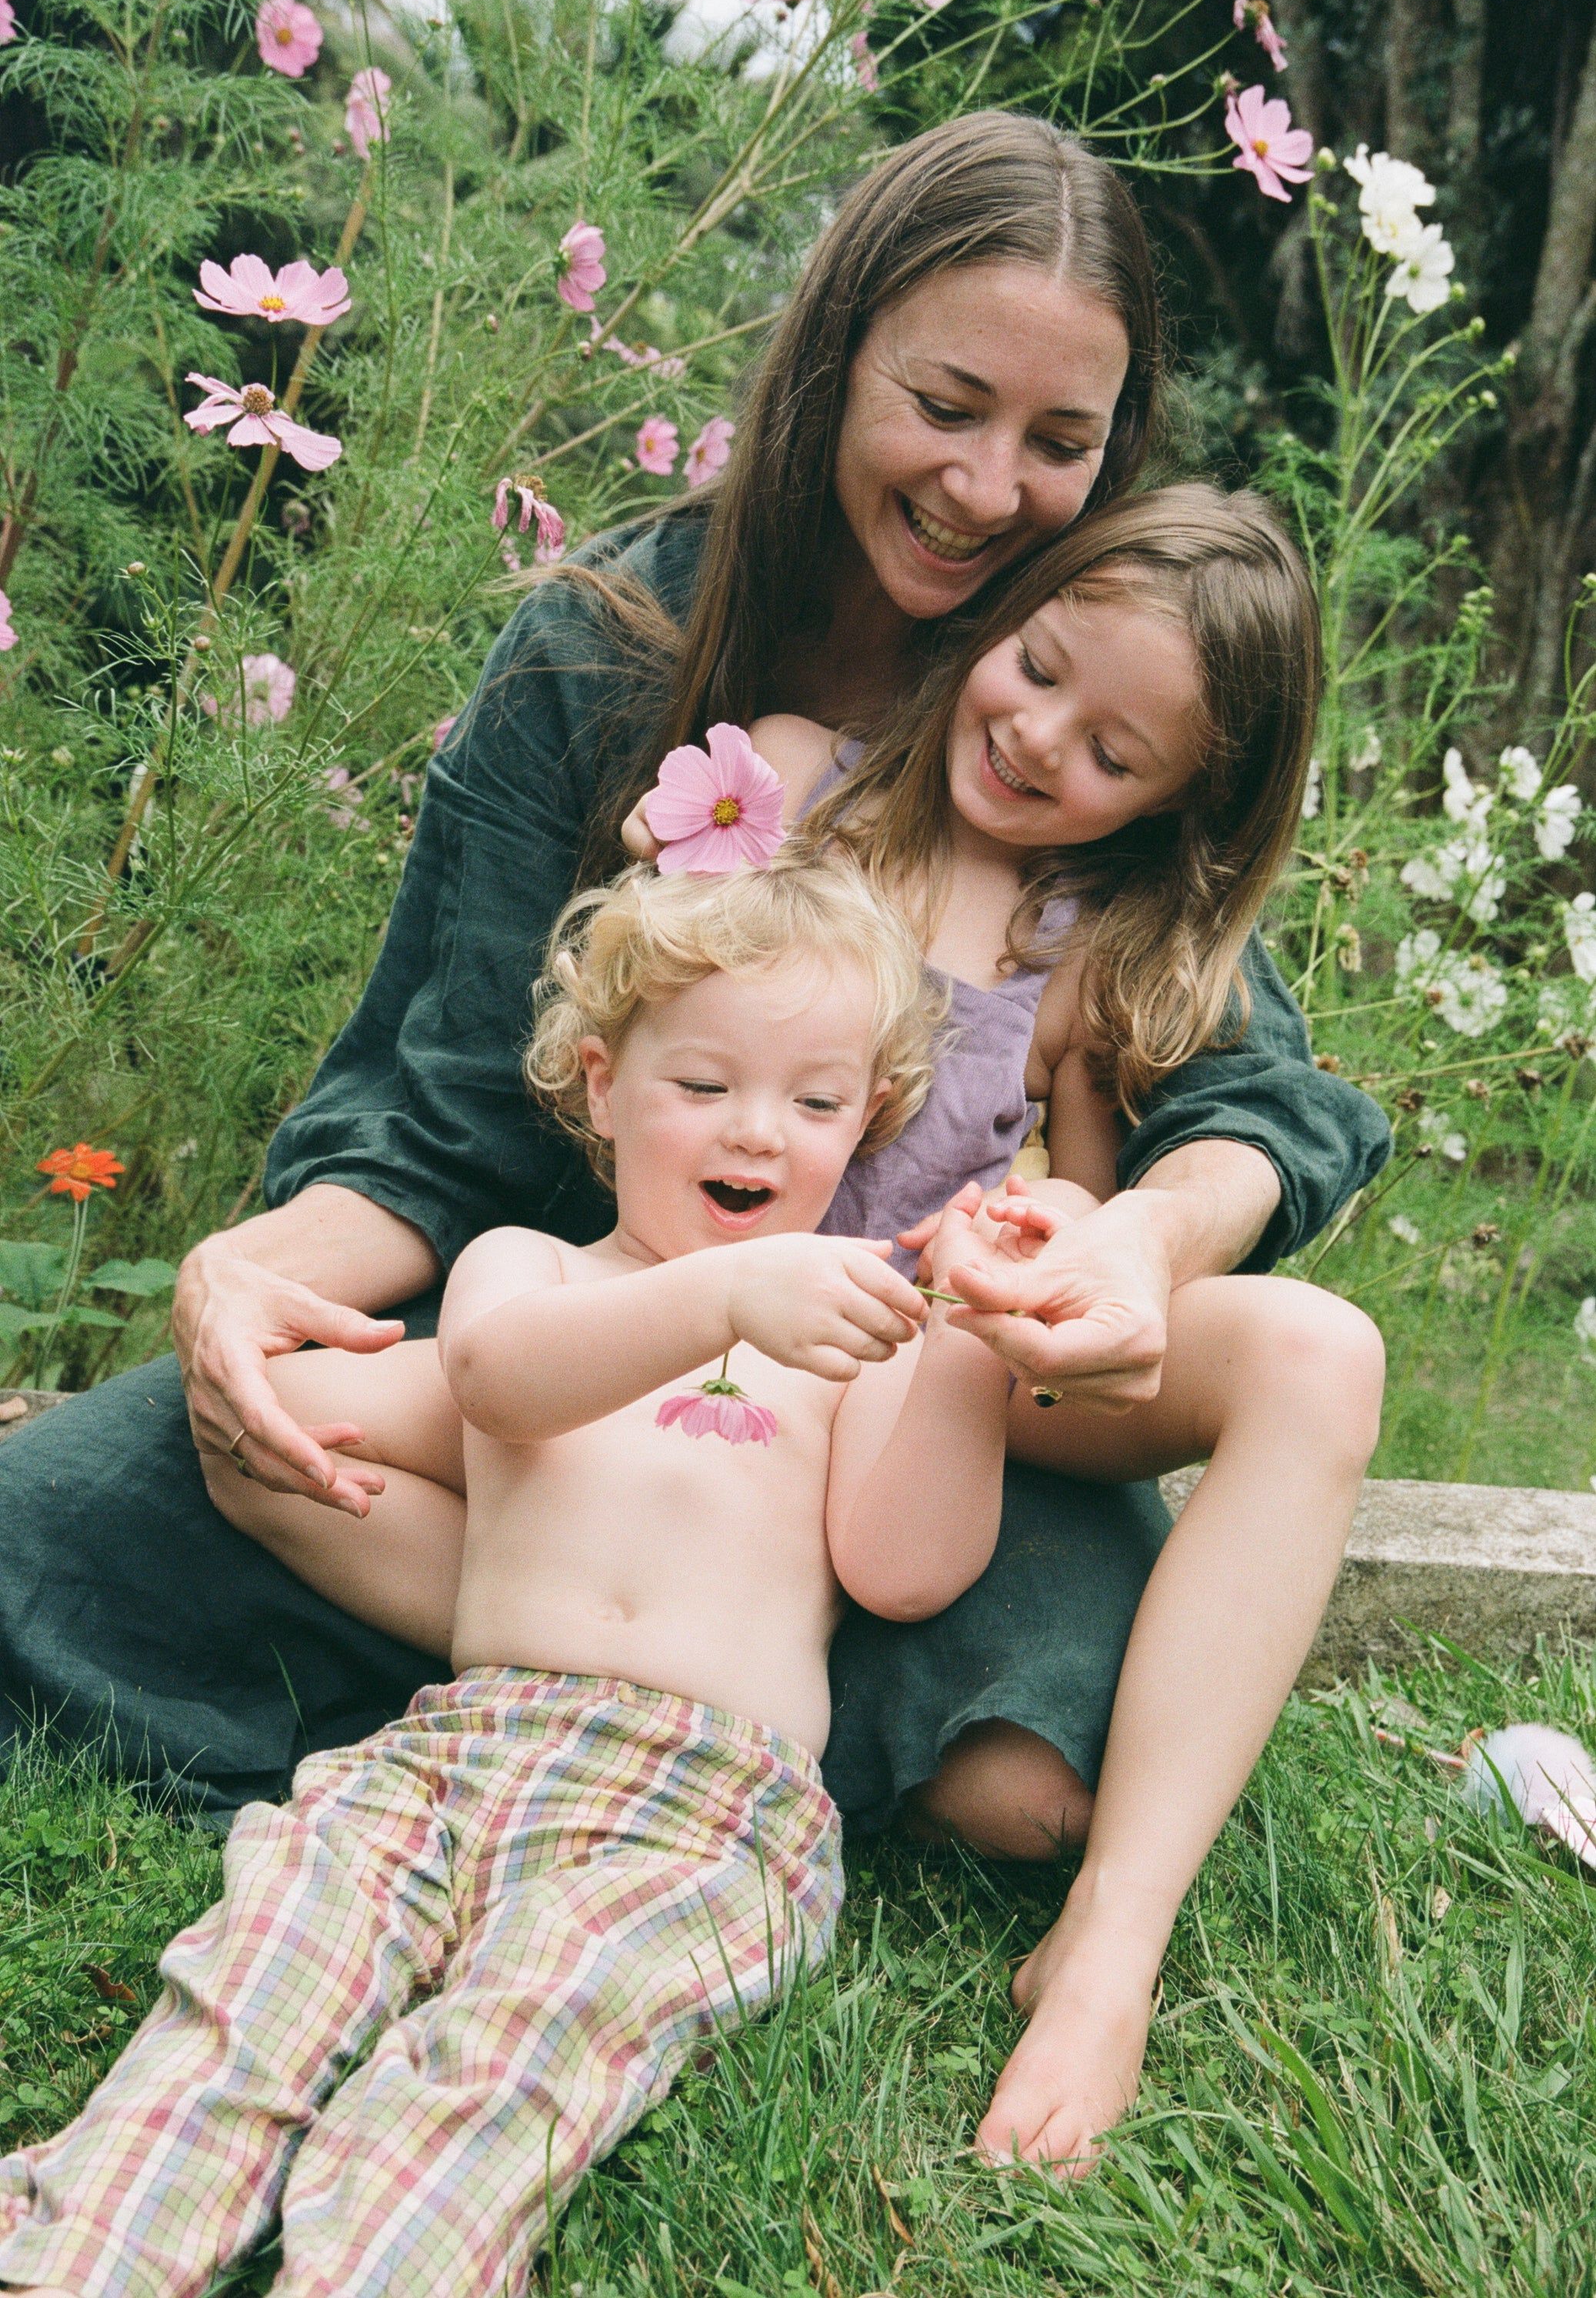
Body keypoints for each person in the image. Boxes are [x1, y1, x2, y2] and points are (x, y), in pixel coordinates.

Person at [0, 115, 1391, 2150]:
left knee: (1056, 1755)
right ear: (833, 350)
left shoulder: (1097, 651)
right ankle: (645, 1681)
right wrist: (250, 1275)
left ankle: (1055, 1918)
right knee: (93, 1509)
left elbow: (1261, 1089)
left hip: (912, 1406)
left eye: (1059, 440)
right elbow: (448, 1105)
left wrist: (1141, 1243)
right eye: (944, 404)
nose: (987, 487)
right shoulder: (613, 648)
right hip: (601, 1360)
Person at [215, 482, 1387, 2170]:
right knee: (272, 1418)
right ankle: (622, 1654)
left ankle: (1108, 1944)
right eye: (1040, 665)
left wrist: (1056, 1237)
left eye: (1117, 753)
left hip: (909, 1361)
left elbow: (1073, 1202)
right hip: (680, 1324)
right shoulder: (780, 784)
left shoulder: (1090, 950)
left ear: (1181, 798)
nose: (1045, 739)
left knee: (1319, 1351)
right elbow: (653, 978)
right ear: (1002, 608)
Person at [0, 857, 1019, 2298]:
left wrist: (974, 1340)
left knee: (515, 2045)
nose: (758, 1130)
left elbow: (903, 1569)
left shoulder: (861, 1337)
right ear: (602, 1087)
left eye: (814, 1100)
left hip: (706, 1807)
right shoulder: (529, 1269)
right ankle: (84, 2251)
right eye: (707, 1083)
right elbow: (494, 1382)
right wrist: (724, 1299)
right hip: (453, 1748)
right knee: (266, 1968)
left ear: (869, 1119)